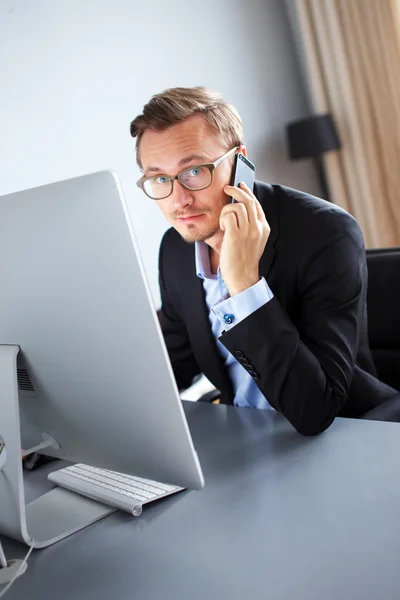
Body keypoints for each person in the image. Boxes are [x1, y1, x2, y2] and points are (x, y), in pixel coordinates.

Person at [130, 86, 400, 435]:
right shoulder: (176, 248)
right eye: (160, 178)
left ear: (240, 161)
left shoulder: (325, 233)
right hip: (246, 435)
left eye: (195, 171)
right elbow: (176, 362)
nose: (178, 199)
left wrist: (245, 286)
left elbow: (316, 409)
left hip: (344, 435)